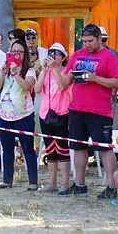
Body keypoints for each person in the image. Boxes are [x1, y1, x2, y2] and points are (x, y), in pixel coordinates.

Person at [59, 24, 118, 198]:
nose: (87, 44)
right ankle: (79, 184)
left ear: (99, 39)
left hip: (100, 111)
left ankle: (111, 186)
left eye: (90, 41)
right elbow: (64, 83)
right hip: (77, 109)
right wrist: (60, 71)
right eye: (84, 41)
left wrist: (96, 79)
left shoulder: (109, 56)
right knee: (78, 147)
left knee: (104, 147)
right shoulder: (77, 55)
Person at [0, 38, 38, 190]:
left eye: (19, 51)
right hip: (4, 114)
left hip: (24, 114)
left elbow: (27, 86)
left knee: (27, 148)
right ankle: (7, 180)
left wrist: (16, 74)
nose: (16, 54)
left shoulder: (29, 71)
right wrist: (2, 72)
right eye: (13, 51)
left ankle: (33, 182)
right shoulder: (4, 69)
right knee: (6, 148)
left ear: (24, 54)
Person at [36, 42, 72, 193]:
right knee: (50, 149)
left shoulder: (67, 72)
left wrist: (56, 69)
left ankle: (65, 184)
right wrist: (44, 71)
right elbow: (37, 89)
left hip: (62, 113)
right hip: (45, 114)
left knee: (62, 149)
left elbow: (63, 86)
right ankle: (52, 184)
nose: (53, 56)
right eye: (51, 53)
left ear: (63, 57)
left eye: (56, 54)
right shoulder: (46, 71)